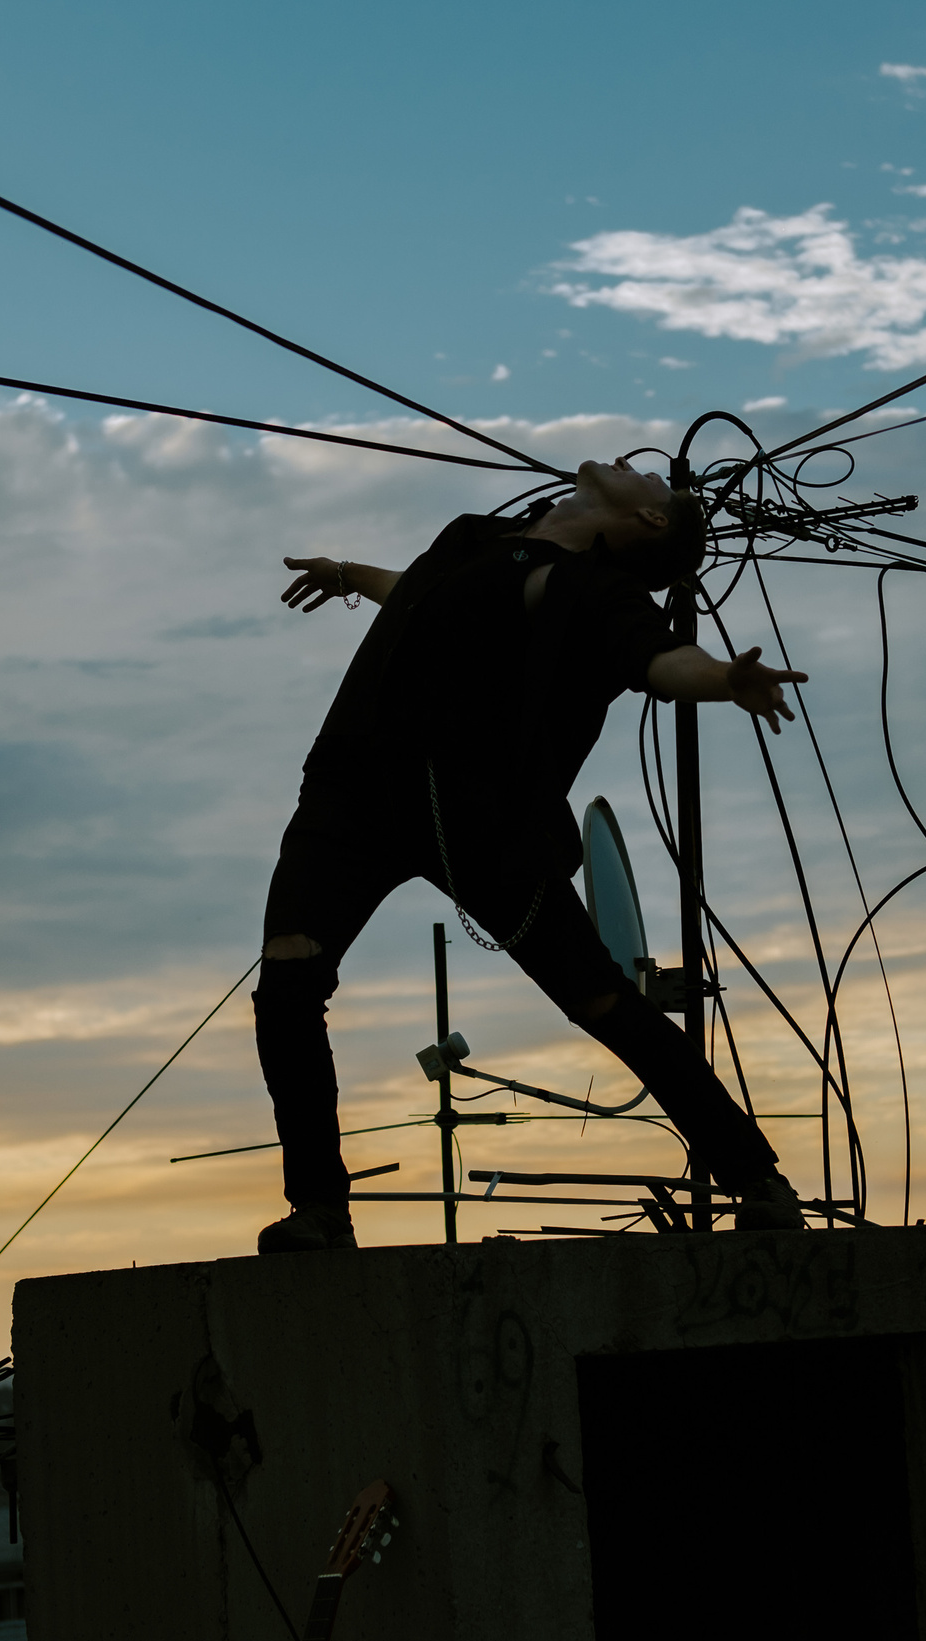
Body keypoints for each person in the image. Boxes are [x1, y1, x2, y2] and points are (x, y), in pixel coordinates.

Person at [252, 456, 811, 1254]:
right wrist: (347, 574)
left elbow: (653, 660)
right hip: (354, 794)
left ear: (649, 521)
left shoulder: (587, 589)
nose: (633, 465)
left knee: (602, 1001)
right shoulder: (483, 535)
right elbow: (421, 594)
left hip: (483, 818)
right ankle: (319, 1209)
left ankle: (757, 1178)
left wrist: (724, 677)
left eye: (653, 481)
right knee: (287, 981)